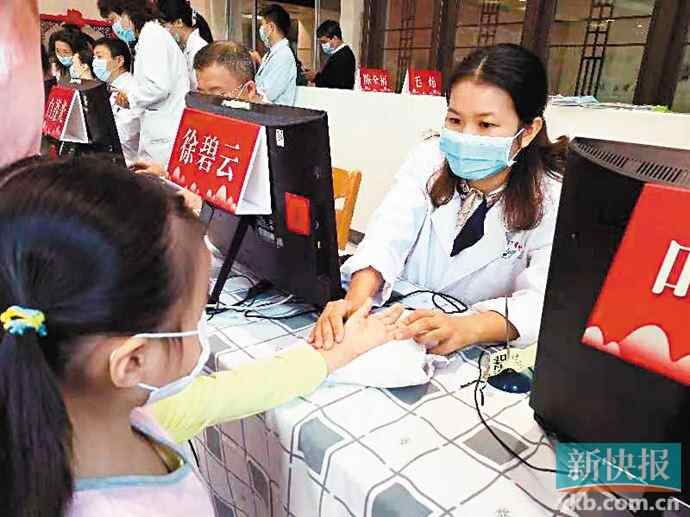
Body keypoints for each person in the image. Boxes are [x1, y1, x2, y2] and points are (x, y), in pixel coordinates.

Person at [0, 155, 403, 517]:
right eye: (198, 315)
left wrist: (335, 354)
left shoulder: (121, 415)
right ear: (133, 361)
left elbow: (232, 391)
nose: (202, 326)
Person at [310, 44, 569, 355]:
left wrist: (469, 327)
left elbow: (542, 300)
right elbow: (388, 234)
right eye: (455, 120)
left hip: (474, 347)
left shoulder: (552, 197)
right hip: (401, 325)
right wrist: (355, 302)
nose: (466, 136)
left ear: (528, 131)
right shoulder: (429, 159)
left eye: (485, 125)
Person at [97, 0, 190, 168]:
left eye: (113, 20)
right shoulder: (150, 36)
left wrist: (130, 98)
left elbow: (158, 87)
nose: (115, 27)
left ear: (127, 13)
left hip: (164, 134)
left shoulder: (152, 36)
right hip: (158, 129)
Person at [93, 37, 141, 166]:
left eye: (99, 57)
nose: (94, 63)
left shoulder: (131, 88)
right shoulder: (109, 87)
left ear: (119, 61)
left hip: (127, 161)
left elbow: (126, 134)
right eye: (94, 58)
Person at [158, 0, 213, 90]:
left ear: (179, 22)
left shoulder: (198, 48)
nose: (164, 32)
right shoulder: (185, 47)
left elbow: (198, 89)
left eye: (164, 26)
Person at [251, 4, 297, 106]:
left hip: (274, 112)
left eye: (263, 25)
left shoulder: (283, 56)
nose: (261, 29)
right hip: (264, 110)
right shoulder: (272, 54)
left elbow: (267, 94)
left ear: (271, 27)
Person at [305, 20, 356, 90]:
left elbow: (334, 83)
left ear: (335, 38)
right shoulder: (340, 54)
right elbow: (330, 77)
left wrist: (316, 77)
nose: (323, 45)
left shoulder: (343, 56)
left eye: (324, 42)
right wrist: (317, 76)